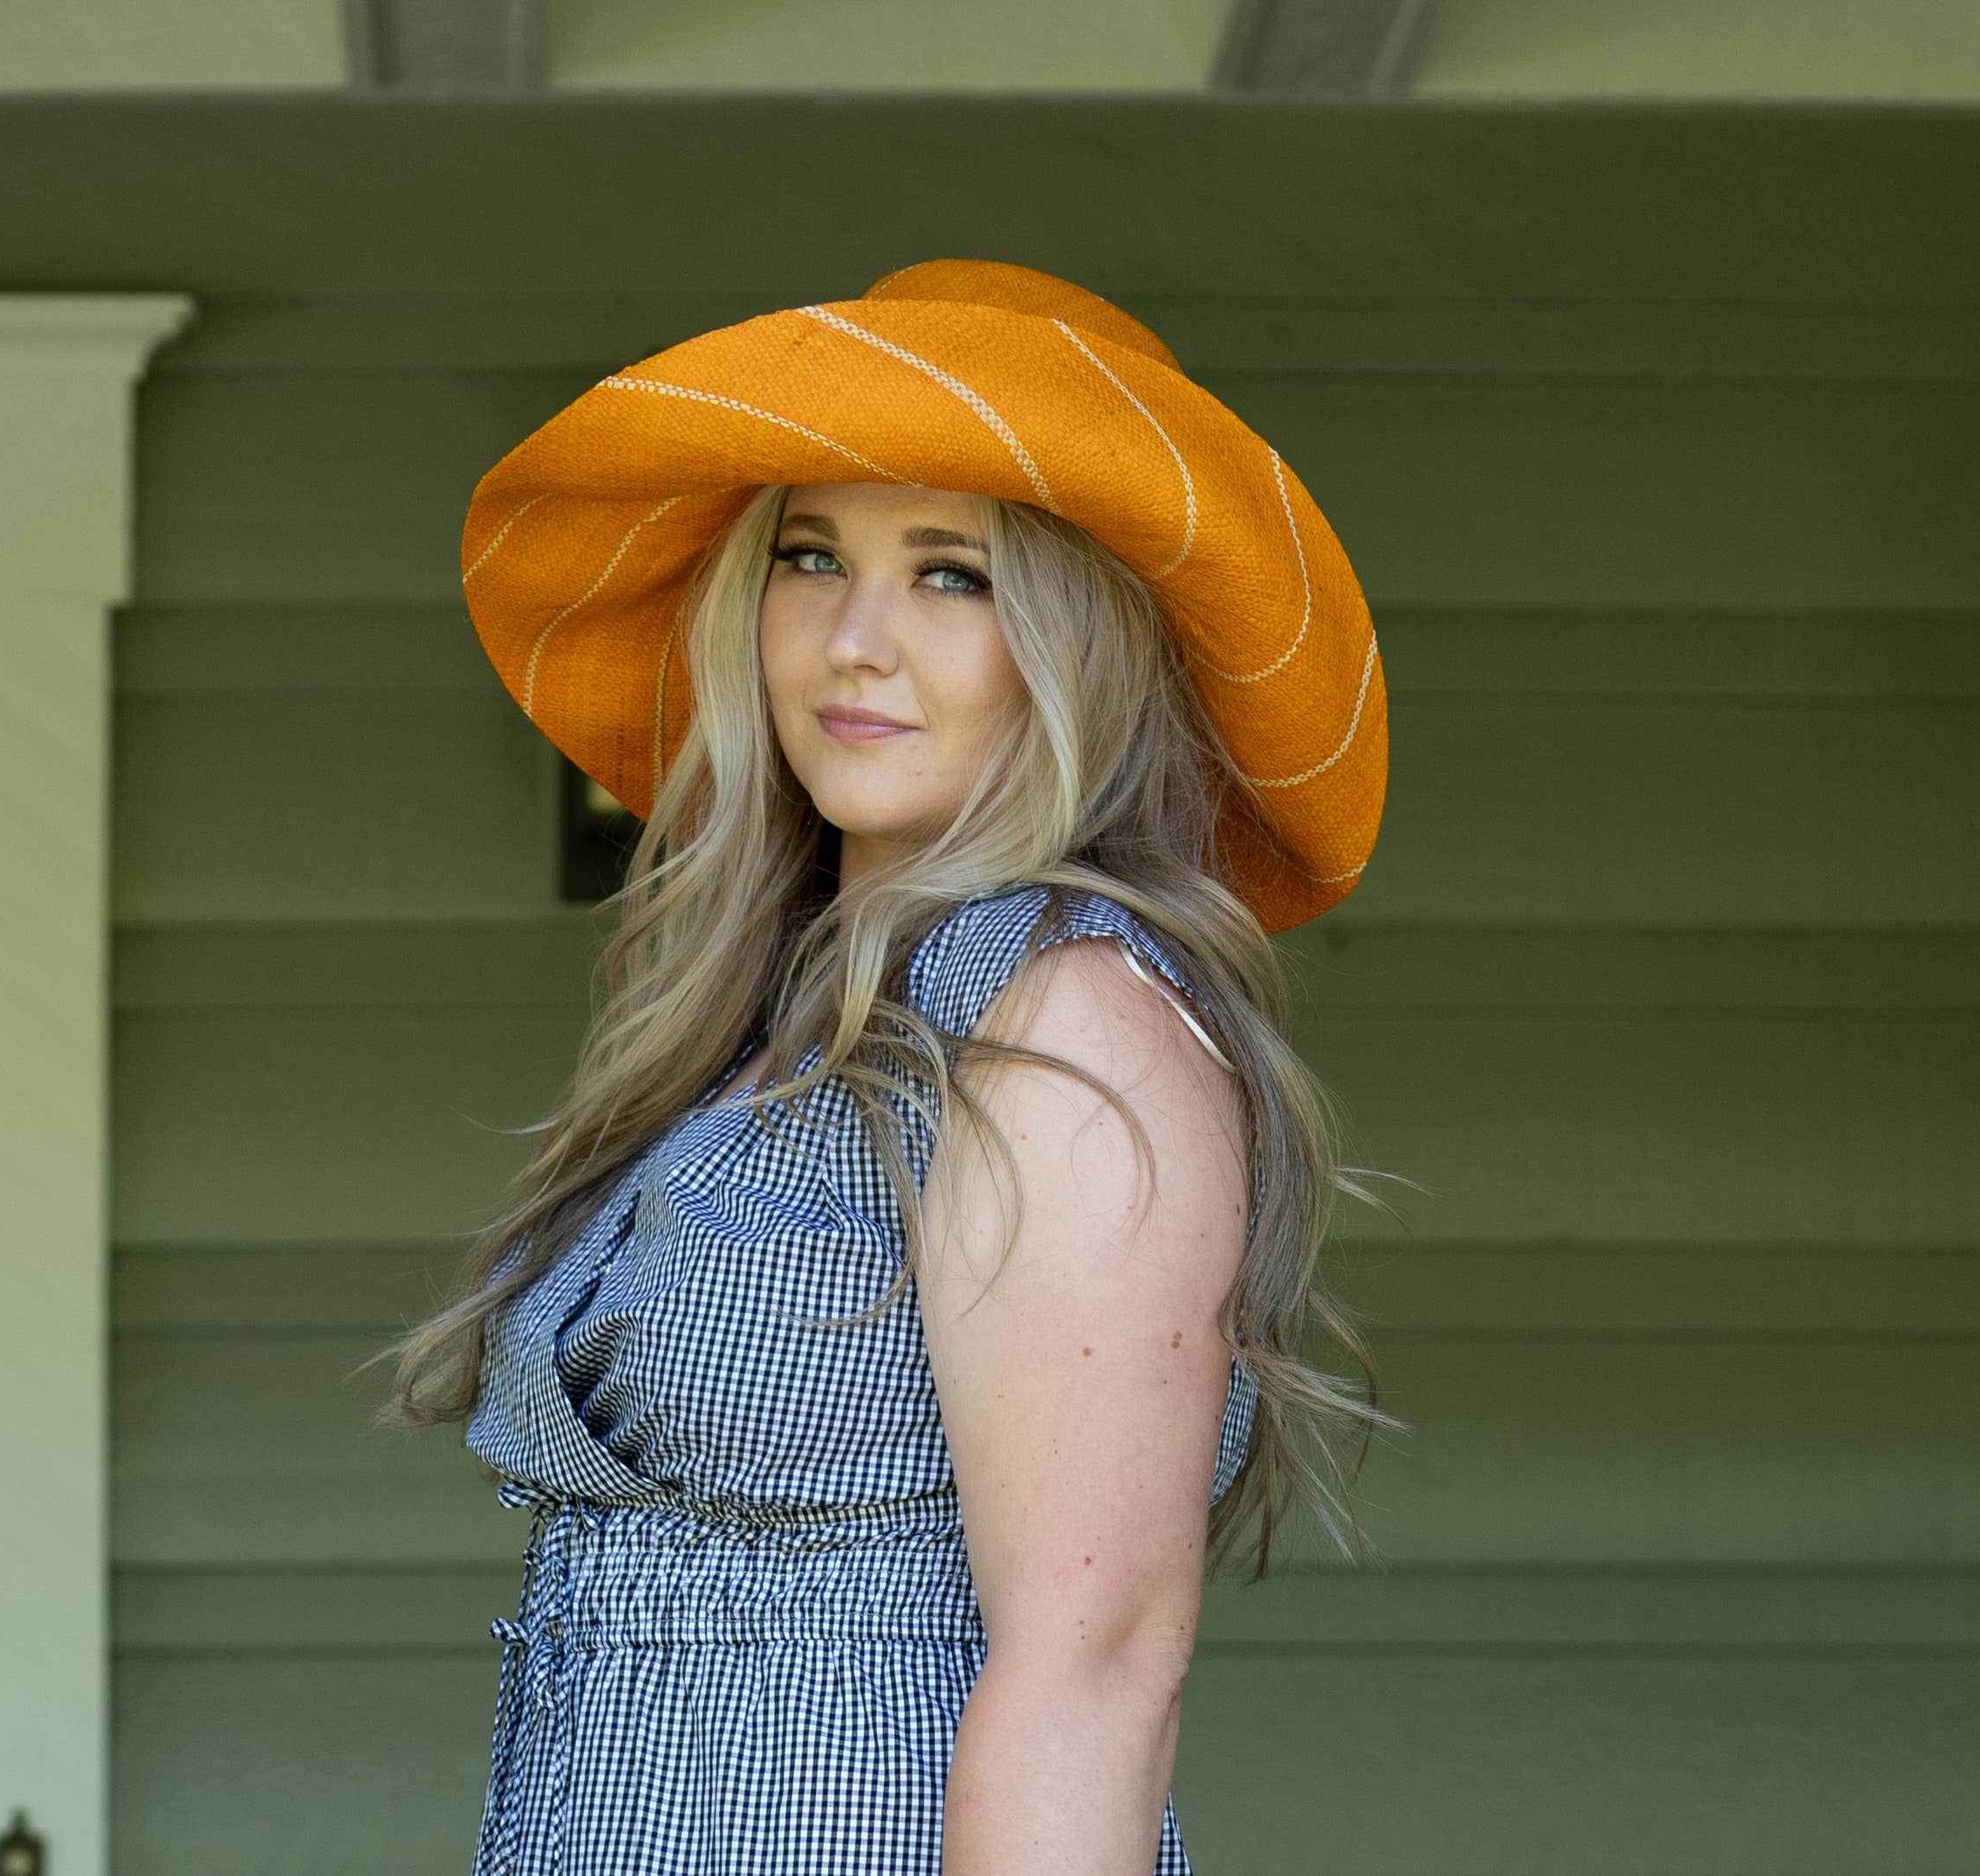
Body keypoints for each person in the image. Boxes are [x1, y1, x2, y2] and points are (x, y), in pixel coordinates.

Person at [372, 258, 1405, 1875]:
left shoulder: (1061, 1017)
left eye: (953, 575)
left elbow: (1095, 1668)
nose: (853, 641)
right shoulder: (773, 1018)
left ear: (1082, 637)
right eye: (809, 555)